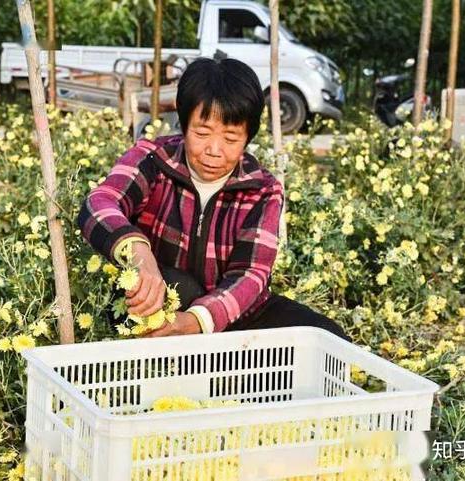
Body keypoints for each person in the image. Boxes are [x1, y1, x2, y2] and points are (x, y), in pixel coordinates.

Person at [78, 57, 349, 341]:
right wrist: (139, 255)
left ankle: (226, 368)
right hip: (159, 303)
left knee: (325, 335)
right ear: (183, 125)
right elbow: (99, 203)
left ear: (248, 138)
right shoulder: (153, 159)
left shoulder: (262, 189)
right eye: (202, 133)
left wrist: (197, 321)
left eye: (231, 138)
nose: (214, 150)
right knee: (181, 286)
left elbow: (251, 274)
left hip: (228, 314)